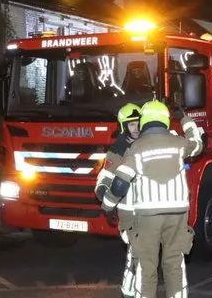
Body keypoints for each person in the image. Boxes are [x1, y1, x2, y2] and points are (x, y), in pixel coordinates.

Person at [102, 100, 204, 298]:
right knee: (174, 263)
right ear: (165, 120)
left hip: (148, 215)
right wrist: (185, 119)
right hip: (177, 214)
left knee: (146, 266)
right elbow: (198, 144)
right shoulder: (179, 143)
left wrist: (107, 205)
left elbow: (120, 183)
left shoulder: (137, 148)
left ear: (144, 121)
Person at [94, 103, 142, 298]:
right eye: (132, 125)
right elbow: (104, 179)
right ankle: (129, 294)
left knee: (142, 259)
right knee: (137, 258)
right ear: (123, 127)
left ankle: (131, 293)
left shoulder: (148, 145)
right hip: (129, 215)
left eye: (138, 123)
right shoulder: (117, 151)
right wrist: (105, 198)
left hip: (149, 213)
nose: (136, 128)